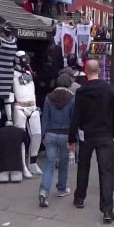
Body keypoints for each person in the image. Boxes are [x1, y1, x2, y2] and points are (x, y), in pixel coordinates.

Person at [69, 60, 114, 224]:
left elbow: (76, 116)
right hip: (105, 135)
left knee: (83, 166)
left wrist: (72, 138)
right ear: (99, 70)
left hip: (87, 134)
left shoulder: (81, 91)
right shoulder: (109, 89)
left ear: (85, 70)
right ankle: (107, 210)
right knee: (105, 171)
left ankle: (79, 198)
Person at [38, 74, 75, 207]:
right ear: (68, 85)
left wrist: (43, 135)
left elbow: (45, 119)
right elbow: (73, 120)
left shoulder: (48, 98)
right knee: (63, 163)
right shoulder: (72, 98)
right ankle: (62, 188)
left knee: (49, 164)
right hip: (65, 135)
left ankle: (44, 191)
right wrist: (73, 138)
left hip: (50, 134)